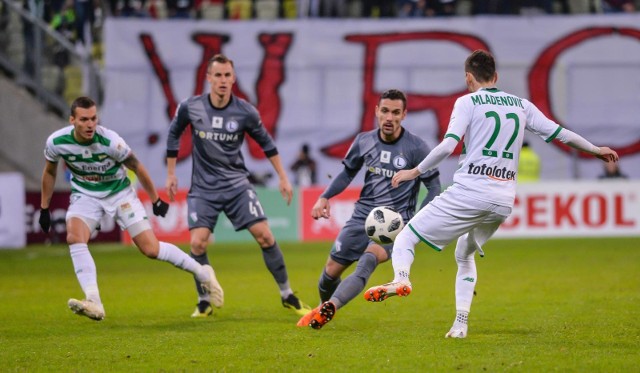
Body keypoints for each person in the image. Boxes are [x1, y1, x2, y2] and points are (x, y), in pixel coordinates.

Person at [364, 50, 619, 338]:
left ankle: (401, 279)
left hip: (470, 191)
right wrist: (597, 150)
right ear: (495, 77)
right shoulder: (521, 105)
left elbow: (448, 146)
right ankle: (460, 325)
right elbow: (560, 133)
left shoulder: (467, 101)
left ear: (468, 78)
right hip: (502, 201)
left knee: (406, 237)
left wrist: (414, 171)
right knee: (464, 253)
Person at [39, 96, 219, 321]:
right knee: (75, 237)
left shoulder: (111, 142)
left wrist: (155, 200)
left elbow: (137, 166)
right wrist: (44, 207)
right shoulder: (56, 142)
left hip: (119, 194)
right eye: (84, 119)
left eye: (94, 118)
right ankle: (94, 301)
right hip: (85, 195)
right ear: (72, 120)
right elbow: (49, 171)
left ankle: (202, 272)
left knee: (150, 250)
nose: (90, 124)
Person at [165, 53, 311, 318]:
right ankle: (204, 301)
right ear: (208, 78)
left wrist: (282, 177)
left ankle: (287, 294)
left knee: (265, 235)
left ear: (233, 79)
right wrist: (171, 173)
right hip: (203, 189)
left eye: (227, 75)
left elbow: (267, 144)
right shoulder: (190, 107)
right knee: (198, 244)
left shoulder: (245, 111)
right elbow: (174, 133)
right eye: (217, 75)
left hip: (236, 186)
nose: (222, 80)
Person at [296, 89, 442, 329]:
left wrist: (413, 224)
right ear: (376, 111)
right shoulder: (364, 141)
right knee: (330, 273)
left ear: (404, 115)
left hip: (395, 223)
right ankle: (323, 307)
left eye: (396, 112)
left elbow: (434, 187)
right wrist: (324, 196)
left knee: (368, 261)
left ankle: (332, 305)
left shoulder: (417, 148)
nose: (389, 118)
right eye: (385, 111)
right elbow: (346, 173)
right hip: (361, 217)